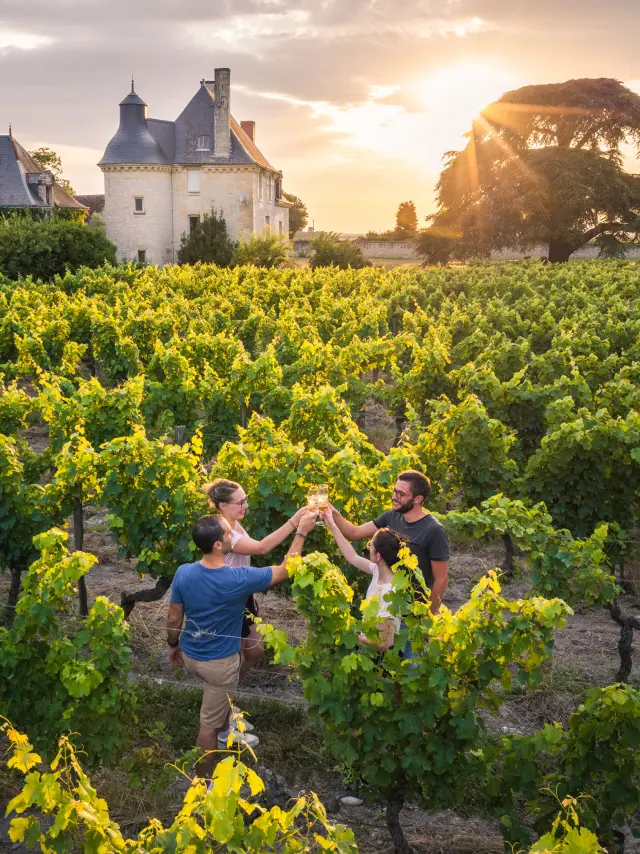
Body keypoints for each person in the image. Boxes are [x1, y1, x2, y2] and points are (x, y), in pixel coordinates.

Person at [166, 509, 317, 776]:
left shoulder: (183, 572)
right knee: (207, 727)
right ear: (217, 545)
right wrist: (302, 531)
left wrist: (172, 644)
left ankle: (225, 731)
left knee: (218, 703)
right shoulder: (237, 579)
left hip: (191, 654)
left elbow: (174, 616)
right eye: (228, 533)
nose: (233, 535)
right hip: (219, 665)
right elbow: (286, 570)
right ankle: (203, 784)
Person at [206, 479, 307, 681]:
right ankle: (225, 692)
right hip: (230, 599)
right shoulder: (226, 534)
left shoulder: (235, 524)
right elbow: (261, 548)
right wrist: (295, 524)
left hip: (244, 595)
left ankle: (230, 684)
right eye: (240, 502)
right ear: (222, 505)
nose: (245, 506)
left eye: (246, 500)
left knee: (255, 652)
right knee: (239, 653)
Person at [329, 470, 449, 614]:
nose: (394, 497)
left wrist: (428, 616)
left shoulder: (434, 530)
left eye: (401, 494)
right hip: (387, 604)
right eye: (394, 491)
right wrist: (332, 513)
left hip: (413, 612)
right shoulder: (392, 516)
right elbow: (354, 533)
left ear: (418, 499)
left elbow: (441, 580)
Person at [323, 514, 404, 651]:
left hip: (380, 662)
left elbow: (384, 644)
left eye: (370, 546)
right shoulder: (379, 571)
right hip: (368, 649)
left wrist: (353, 636)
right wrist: (331, 524)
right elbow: (352, 557)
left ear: (378, 556)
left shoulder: (389, 593)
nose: (368, 549)